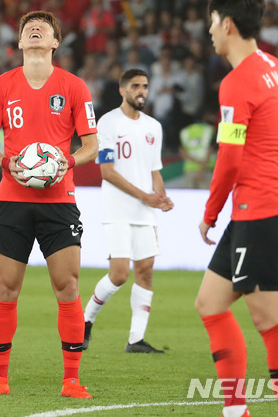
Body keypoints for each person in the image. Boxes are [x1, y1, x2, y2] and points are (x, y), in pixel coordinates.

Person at [0, 11, 98, 399]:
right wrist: (9, 163)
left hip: (59, 201)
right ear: (20, 43)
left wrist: (69, 161)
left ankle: (72, 381)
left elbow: (91, 145)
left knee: (68, 285)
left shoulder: (75, 87)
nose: (35, 28)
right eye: (29, 27)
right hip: (13, 198)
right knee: (6, 287)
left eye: (44, 27)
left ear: (55, 43)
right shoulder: (1, 85)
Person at [195, 0, 278, 417]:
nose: (209, 33)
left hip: (258, 210)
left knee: (271, 321)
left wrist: (209, 213)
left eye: (211, 23)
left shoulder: (237, 83)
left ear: (227, 24)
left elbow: (230, 157)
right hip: (272, 207)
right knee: (210, 303)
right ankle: (235, 410)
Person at [82, 69, 173, 354]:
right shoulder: (108, 123)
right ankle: (85, 321)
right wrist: (145, 196)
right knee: (120, 274)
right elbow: (107, 172)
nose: (141, 91)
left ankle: (136, 339)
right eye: (135, 86)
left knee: (145, 272)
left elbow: (154, 169)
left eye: (145, 86)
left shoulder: (153, 127)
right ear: (122, 90)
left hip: (144, 211)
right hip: (118, 209)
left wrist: (160, 196)